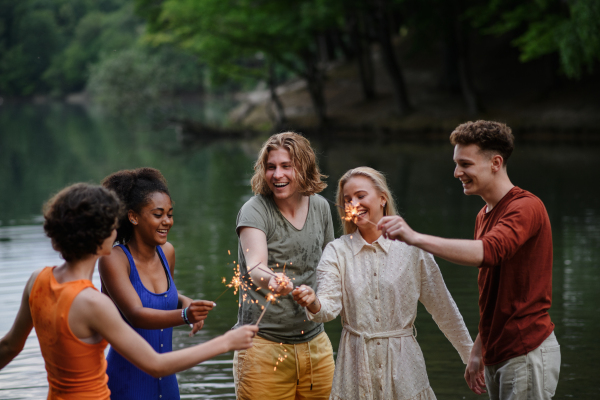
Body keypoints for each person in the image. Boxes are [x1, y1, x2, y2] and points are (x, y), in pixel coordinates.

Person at [0, 183, 257, 400]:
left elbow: (10, 346)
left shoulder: (37, 281)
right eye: (113, 225)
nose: (117, 231)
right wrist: (226, 342)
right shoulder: (93, 304)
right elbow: (155, 365)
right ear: (102, 235)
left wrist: (179, 301)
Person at [377, 120, 560, 400]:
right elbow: (494, 295)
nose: (456, 172)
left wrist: (414, 237)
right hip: (497, 351)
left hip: (526, 351)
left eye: (465, 164)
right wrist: (478, 348)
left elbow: (487, 252)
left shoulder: (526, 207)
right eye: (456, 163)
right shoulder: (483, 215)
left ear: (495, 163)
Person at [292, 167, 473, 400]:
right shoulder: (336, 251)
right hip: (355, 370)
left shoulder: (412, 249)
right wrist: (313, 302)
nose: (353, 204)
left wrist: (471, 357)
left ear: (382, 199)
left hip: (405, 370)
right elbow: (328, 309)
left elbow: (443, 308)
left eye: (360, 196)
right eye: (347, 200)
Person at [233, 132, 336, 399]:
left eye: (286, 166)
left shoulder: (321, 208)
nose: (277, 174)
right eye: (271, 167)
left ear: (303, 167)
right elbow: (256, 266)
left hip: (316, 346)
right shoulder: (254, 210)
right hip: (262, 347)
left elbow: (329, 271)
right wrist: (274, 280)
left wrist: (318, 299)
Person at [98, 168, 215, 400]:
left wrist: (185, 301)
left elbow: (162, 298)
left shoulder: (167, 253)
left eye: (170, 214)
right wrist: (185, 315)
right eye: (158, 214)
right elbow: (137, 313)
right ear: (133, 217)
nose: (167, 222)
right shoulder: (114, 260)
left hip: (168, 383)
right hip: (127, 384)